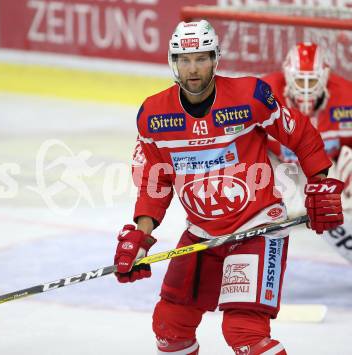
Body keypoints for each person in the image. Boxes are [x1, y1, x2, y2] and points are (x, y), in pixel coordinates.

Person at [113, 20, 344, 355]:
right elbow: (155, 180)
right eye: (184, 59)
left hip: (258, 227)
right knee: (170, 327)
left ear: (216, 58)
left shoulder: (250, 96)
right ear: (172, 61)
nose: (192, 69)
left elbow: (301, 135)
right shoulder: (154, 115)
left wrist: (320, 185)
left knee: (244, 332)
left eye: (202, 58)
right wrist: (141, 235)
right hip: (201, 234)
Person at [263, 43, 352, 263]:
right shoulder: (264, 93)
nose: (305, 88)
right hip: (281, 166)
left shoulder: (347, 98)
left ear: (324, 77)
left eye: (311, 81)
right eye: (299, 80)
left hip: (326, 167)